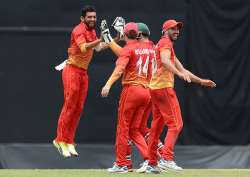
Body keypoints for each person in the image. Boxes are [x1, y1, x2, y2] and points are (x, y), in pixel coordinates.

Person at [146, 19, 216, 174]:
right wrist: (178, 74)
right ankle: (166, 159)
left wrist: (201, 81)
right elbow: (165, 62)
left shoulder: (165, 45)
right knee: (176, 124)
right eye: (172, 29)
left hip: (155, 89)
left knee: (156, 129)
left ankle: (152, 163)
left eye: (177, 29)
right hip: (163, 89)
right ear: (165, 31)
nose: (176, 31)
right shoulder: (165, 43)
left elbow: (182, 69)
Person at [53, 5, 108, 158]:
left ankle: (69, 141)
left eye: (94, 17)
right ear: (82, 18)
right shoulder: (79, 30)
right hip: (71, 70)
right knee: (70, 105)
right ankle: (59, 140)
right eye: (89, 17)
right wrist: (100, 39)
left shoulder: (93, 31)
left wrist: (116, 38)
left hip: (83, 72)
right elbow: (84, 48)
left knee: (78, 108)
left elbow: (98, 48)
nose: (92, 19)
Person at [101, 22, 155, 173]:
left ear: (124, 35)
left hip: (132, 90)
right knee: (134, 130)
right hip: (147, 91)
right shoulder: (150, 48)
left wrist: (108, 84)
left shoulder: (128, 49)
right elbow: (129, 50)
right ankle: (150, 160)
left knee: (122, 128)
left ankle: (121, 163)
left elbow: (119, 70)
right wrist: (113, 38)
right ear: (138, 35)